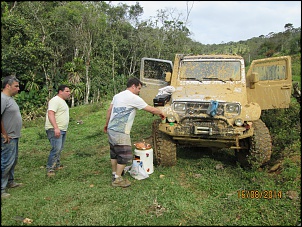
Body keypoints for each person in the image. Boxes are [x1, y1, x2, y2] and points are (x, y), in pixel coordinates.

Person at [104, 77, 165, 188]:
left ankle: (114, 173)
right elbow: (151, 109)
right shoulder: (133, 98)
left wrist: (106, 124)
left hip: (111, 129)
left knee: (114, 153)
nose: (139, 91)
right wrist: (162, 113)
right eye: (139, 88)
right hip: (121, 131)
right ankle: (117, 179)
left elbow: (109, 110)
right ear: (133, 86)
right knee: (124, 155)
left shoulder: (117, 96)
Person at [1, 76, 23, 199]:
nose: (18, 89)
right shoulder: (2, 98)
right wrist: (4, 133)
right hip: (7, 138)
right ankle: (1, 189)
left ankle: (10, 181)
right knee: (6, 162)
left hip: (14, 136)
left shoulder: (9, 98)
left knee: (13, 160)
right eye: (16, 86)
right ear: (8, 86)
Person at [45, 85, 71, 177]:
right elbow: (51, 113)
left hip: (62, 129)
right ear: (60, 91)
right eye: (67, 91)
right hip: (55, 129)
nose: (69, 93)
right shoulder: (55, 100)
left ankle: (57, 165)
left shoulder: (62, 101)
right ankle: (50, 168)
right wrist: (55, 127)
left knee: (59, 148)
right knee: (56, 148)